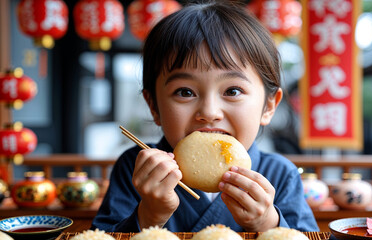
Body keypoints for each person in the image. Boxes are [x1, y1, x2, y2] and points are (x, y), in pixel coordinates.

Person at [91, 1, 319, 233]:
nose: (209, 112)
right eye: (185, 92)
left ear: (269, 106)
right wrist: (149, 215)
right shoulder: (136, 168)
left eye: (232, 91)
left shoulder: (280, 174)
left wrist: (268, 223)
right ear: (154, 106)